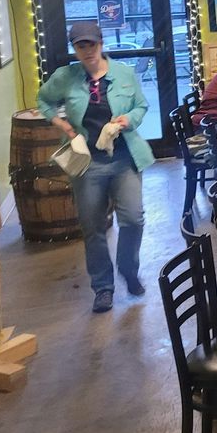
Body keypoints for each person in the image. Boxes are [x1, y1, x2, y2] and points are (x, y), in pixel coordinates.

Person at [37, 20, 155, 313]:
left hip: (125, 158)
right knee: (93, 227)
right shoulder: (66, 77)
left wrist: (128, 119)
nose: (87, 51)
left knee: (133, 219)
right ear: (75, 49)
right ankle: (103, 288)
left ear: (101, 44)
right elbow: (44, 100)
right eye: (81, 46)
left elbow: (141, 105)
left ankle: (128, 269)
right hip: (87, 163)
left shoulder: (123, 73)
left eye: (91, 44)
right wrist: (62, 124)